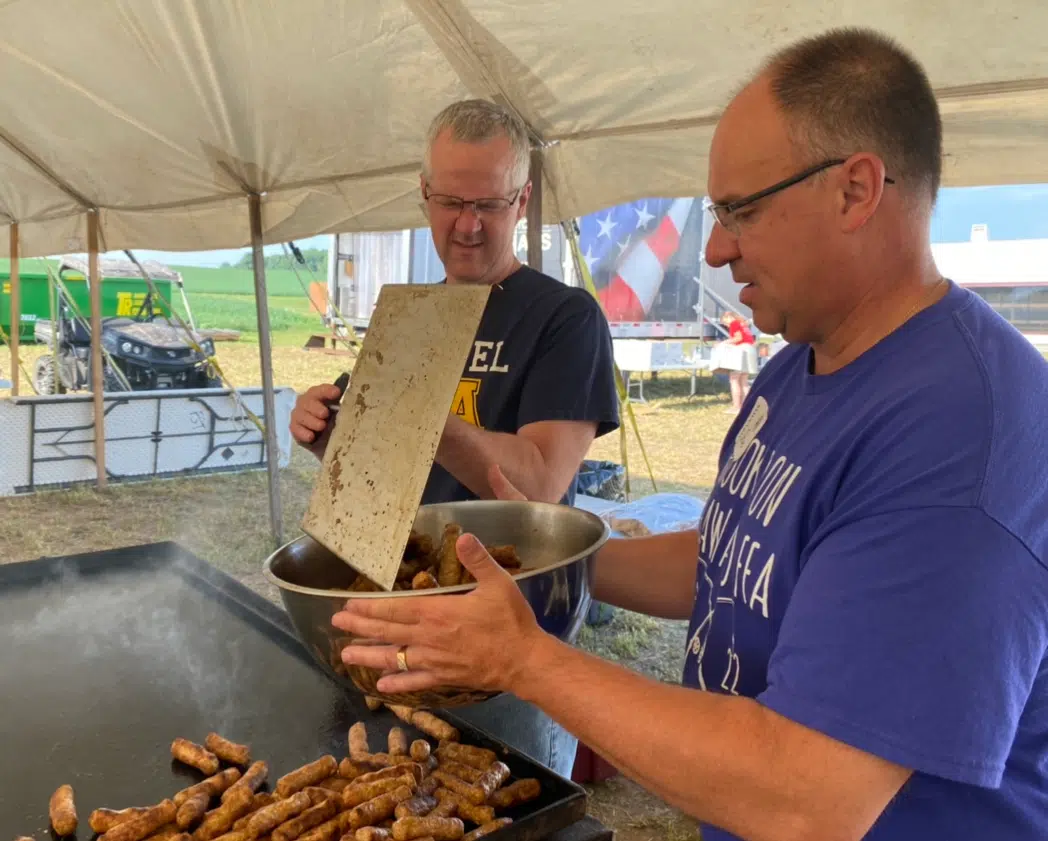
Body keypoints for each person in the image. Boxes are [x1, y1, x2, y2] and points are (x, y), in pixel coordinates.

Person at [332, 27, 1048, 841]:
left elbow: (809, 798)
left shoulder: (961, 431)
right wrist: (548, 566)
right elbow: (736, 558)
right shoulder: (797, 367)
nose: (715, 245)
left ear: (856, 191)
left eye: (742, 209)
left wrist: (526, 657)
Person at [290, 99, 620, 778]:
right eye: (450, 201)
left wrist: (425, 418)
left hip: (502, 640)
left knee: (503, 799)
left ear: (522, 200)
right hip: (392, 625)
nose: (468, 225)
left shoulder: (564, 318)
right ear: (424, 195)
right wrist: (335, 441)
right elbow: (378, 484)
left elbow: (538, 485)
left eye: (491, 205)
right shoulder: (410, 319)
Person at [718, 310, 758, 412]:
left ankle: (736, 406)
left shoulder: (734, 324)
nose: (726, 326)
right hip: (750, 350)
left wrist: (723, 343)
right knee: (744, 381)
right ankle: (748, 406)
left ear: (728, 317)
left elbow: (738, 338)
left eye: (724, 322)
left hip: (741, 351)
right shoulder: (743, 324)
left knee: (734, 379)